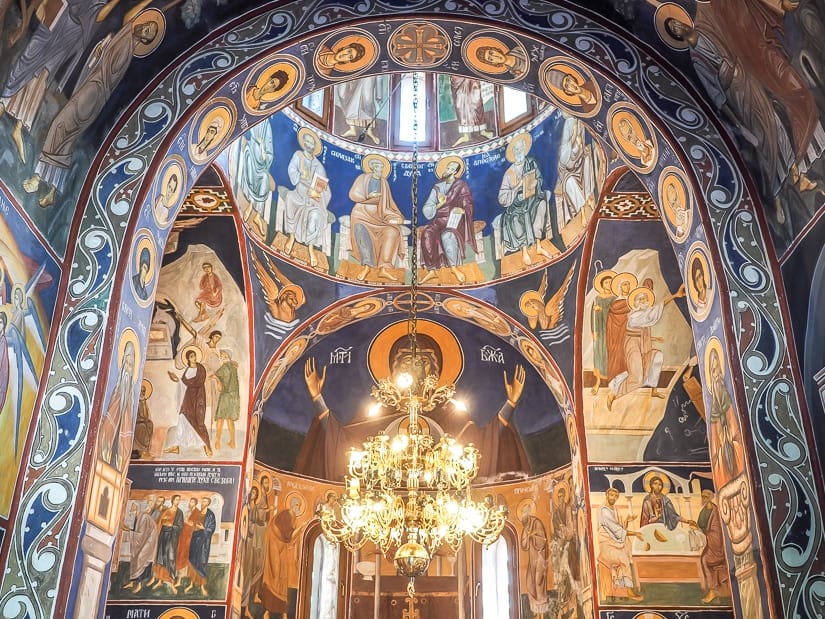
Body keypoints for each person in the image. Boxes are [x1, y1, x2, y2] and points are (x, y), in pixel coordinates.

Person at [295, 331, 530, 480]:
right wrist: (318, 398)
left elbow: (481, 446)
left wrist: (510, 404)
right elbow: (343, 445)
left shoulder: (451, 411)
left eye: (422, 363)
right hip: (383, 501)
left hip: (440, 503)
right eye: (407, 361)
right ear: (394, 370)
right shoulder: (377, 411)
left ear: (435, 371)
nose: (414, 369)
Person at [22, 9, 163, 207]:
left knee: (61, 126)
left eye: (149, 32)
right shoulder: (125, 36)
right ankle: (51, 189)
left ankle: (40, 178)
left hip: (93, 93)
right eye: (148, 25)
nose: (146, 27)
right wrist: (102, 49)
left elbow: (109, 74)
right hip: (91, 87)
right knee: (66, 136)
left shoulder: (127, 47)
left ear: (145, 40)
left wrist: (103, 53)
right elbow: (127, 19)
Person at [607, 281, 685, 409]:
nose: (644, 301)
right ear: (636, 302)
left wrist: (654, 338)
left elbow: (644, 326)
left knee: (657, 356)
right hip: (632, 346)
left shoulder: (644, 314)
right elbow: (651, 315)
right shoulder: (634, 315)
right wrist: (675, 295)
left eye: (646, 299)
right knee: (637, 378)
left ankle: (653, 389)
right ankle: (614, 394)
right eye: (641, 299)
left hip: (641, 344)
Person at [498, 133, 556, 265]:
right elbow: (502, 197)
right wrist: (517, 188)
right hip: (517, 204)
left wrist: (535, 183)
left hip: (532, 198)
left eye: (521, 148)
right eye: (516, 150)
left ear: (525, 148)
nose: (519, 152)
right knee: (517, 217)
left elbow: (539, 178)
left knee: (541, 204)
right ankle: (524, 251)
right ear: (513, 153)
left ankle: (538, 245)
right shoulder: (509, 173)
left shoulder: (531, 162)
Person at [420, 155, 477, 284]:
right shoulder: (437, 187)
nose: (447, 170)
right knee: (426, 234)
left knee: (448, 236)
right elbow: (427, 209)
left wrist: (462, 210)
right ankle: (432, 270)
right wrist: (439, 204)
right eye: (447, 167)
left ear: (455, 172)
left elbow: (467, 203)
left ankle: (454, 268)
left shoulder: (460, 185)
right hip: (439, 220)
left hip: (455, 221)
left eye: (451, 168)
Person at [348, 154, 404, 282]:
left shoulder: (384, 183)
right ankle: (367, 266)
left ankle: (384, 268)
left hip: (379, 218)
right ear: (372, 167)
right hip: (362, 215)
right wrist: (368, 196)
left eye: (382, 167)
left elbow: (389, 204)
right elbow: (353, 194)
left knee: (393, 231)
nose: (380, 169)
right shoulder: (363, 178)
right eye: (378, 166)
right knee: (361, 230)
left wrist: (396, 216)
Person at [282, 129, 332, 268]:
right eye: (307, 141)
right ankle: (291, 237)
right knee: (290, 199)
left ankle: (311, 247)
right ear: (303, 142)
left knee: (315, 216)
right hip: (299, 193)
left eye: (312, 143)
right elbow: (292, 170)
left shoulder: (319, 166)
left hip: (312, 200)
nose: (309, 145)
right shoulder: (298, 156)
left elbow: (323, 189)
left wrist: (314, 192)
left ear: (315, 147)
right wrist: (300, 175)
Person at [598, 487, 643, 602]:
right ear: (606, 495)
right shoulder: (604, 511)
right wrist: (635, 533)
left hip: (615, 543)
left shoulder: (615, 510)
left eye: (615, 496)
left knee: (626, 551)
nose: (613, 498)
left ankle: (621, 589)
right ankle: (629, 590)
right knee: (623, 558)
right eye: (611, 495)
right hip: (606, 545)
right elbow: (616, 530)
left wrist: (627, 520)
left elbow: (620, 530)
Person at [98, 339, 137, 471]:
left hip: (122, 427)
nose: (127, 367)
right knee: (105, 434)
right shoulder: (117, 390)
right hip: (113, 423)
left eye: (131, 364)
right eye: (126, 362)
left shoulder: (131, 397)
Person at [708, 347, 744, 483]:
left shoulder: (728, 397)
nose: (716, 375)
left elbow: (736, 430)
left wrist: (730, 439)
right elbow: (715, 443)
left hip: (733, 444)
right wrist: (723, 444)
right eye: (713, 371)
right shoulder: (713, 407)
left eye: (717, 369)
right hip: (724, 451)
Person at [168, 348, 213, 456]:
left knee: (199, 422)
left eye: (194, 355)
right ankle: (176, 446)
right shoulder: (187, 370)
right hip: (188, 398)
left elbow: (199, 381)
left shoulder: (201, 369)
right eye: (191, 356)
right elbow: (183, 383)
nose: (194, 358)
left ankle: (207, 446)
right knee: (182, 418)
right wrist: (176, 379)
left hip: (198, 398)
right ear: (188, 358)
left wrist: (184, 382)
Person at [556, 113, 596, 226]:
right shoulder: (565, 142)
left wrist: (581, 148)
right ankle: (582, 211)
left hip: (579, 161)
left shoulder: (579, 122)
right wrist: (576, 146)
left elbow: (583, 146)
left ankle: (590, 198)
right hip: (568, 170)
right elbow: (566, 162)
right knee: (570, 182)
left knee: (588, 161)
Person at [239, 121, 275, 238]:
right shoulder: (257, 118)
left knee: (264, 178)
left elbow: (269, 155)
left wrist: (262, 146)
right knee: (248, 159)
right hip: (251, 152)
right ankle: (249, 206)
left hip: (262, 163)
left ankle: (258, 215)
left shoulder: (267, 127)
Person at [692, 489, 729, 604]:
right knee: (702, 559)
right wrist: (695, 526)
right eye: (702, 496)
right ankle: (714, 591)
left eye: (706, 496)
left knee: (705, 560)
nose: (704, 498)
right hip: (708, 543)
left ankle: (714, 591)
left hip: (716, 547)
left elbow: (717, 532)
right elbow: (701, 526)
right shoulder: (704, 511)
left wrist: (699, 529)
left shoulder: (716, 512)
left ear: (712, 497)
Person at [260, 508, 296, 619]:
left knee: (282, 586)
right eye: (291, 521)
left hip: (282, 566)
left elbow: (289, 537)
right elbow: (273, 555)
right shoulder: (273, 531)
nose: (292, 525)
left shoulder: (282, 531)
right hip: (273, 565)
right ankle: (267, 611)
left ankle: (283, 612)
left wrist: (300, 529)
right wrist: (276, 572)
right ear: (285, 520)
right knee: (273, 583)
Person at [147, 495, 184, 594]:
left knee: (170, 559)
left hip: (172, 538)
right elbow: (159, 523)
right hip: (163, 536)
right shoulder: (166, 511)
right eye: (176, 499)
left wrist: (172, 526)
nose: (178, 501)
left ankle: (171, 583)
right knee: (161, 558)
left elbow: (180, 526)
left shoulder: (179, 513)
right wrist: (164, 523)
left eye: (179, 500)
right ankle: (160, 580)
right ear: (172, 500)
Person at [121, 500, 159, 594]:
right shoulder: (137, 517)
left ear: (138, 507)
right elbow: (137, 532)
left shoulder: (144, 517)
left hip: (149, 542)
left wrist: (129, 532)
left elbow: (141, 534)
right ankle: (132, 582)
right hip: (142, 541)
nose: (132, 507)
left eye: (134, 506)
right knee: (134, 559)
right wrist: (129, 530)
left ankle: (139, 585)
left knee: (140, 560)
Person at [519, 502, 550, 615]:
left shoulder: (536, 523)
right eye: (523, 513)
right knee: (529, 582)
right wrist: (528, 537)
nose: (524, 515)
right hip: (532, 559)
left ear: (529, 513)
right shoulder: (526, 526)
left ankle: (542, 610)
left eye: (525, 512)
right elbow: (523, 544)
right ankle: (535, 609)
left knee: (538, 580)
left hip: (540, 556)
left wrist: (533, 535)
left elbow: (543, 539)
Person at [590, 270, 616, 394]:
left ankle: (613, 382)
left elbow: (616, 313)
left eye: (610, 282)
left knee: (611, 355)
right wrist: (594, 331)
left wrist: (602, 309)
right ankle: (598, 382)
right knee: (599, 354)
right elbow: (592, 316)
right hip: (600, 330)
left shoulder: (615, 298)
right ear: (602, 284)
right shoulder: (597, 298)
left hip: (611, 330)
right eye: (606, 282)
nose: (608, 284)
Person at [449, 76, 493, 146]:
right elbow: (455, 79)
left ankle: (482, 131)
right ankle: (466, 135)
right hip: (462, 90)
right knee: (463, 110)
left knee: (477, 106)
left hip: (473, 84)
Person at [336, 76, 381, 144]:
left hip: (369, 71)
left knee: (367, 99)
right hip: (355, 69)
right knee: (349, 98)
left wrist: (379, 94)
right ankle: (352, 129)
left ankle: (369, 131)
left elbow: (380, 72)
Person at [188, 497, 216, 596]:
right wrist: (192, 525)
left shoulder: (210, 515)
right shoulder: (198, 513)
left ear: (208, 503)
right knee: (192, 560)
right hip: (194, 539)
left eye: (205, 501)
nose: (202, 503)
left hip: (203, 541)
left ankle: (202, 587)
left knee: (201, 562)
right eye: (202, 501)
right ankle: (191, 583)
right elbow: (193, 524)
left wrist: (203, 528)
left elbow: (211, 529)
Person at [214, 349, 240, 450]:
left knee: (220, 419)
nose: (220, 355)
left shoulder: (223, 368)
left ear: (227, 356)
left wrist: (215, 378)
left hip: (226, 396)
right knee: (230, 420)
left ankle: (217, 442)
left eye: (222, 354)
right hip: (234, 397)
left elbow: (220, 388)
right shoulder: (233, 367)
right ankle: (232, 442)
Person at [173, 497, 199, 590]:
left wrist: (188, 523)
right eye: (190, 501)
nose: (190, 503)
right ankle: (179, 581)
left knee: (190, 559)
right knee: (180, 556)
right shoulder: (187, 512)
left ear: (195, 503)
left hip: (191, 538)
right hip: (183, 537)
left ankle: (191, 583)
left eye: (192, 502)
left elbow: (195, 525)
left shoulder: (197, 513)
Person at [131, 380, 154, 459]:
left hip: (141, 421)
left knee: (150, 424)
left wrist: (143, 403)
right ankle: (137, 448)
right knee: (142, 427)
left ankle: (145, 449)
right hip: (133, 422)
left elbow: (145, 415)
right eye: (141, 391)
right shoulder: (133, 401)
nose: (143, 393)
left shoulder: (142, 401)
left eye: (144, 391)